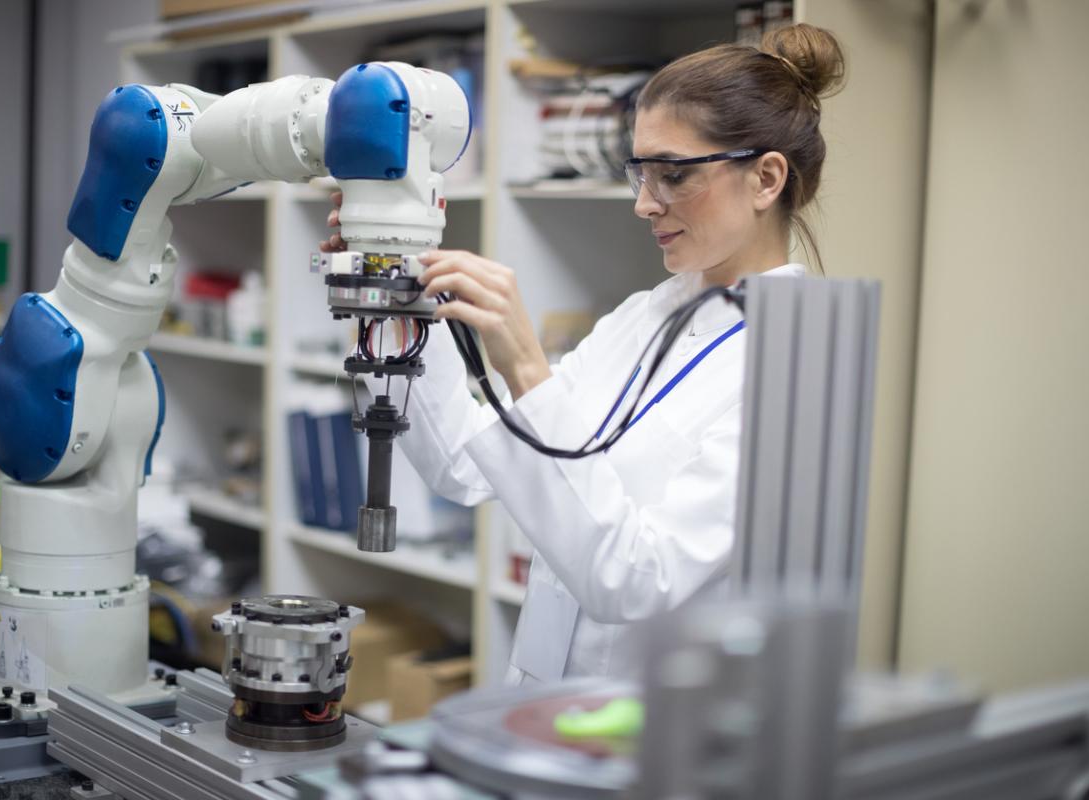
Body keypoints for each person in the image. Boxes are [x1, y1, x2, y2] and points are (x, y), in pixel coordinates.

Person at [321, 24, 847, 684]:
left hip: (661, 734)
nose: (644, 203)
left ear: (766, 177)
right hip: (544, 703)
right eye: (638, 172)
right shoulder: (644, 315)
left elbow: (636, 580)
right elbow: (465, 462)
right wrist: (401, 291)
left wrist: (526, 368)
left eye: (673, 174)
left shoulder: (796, 362)